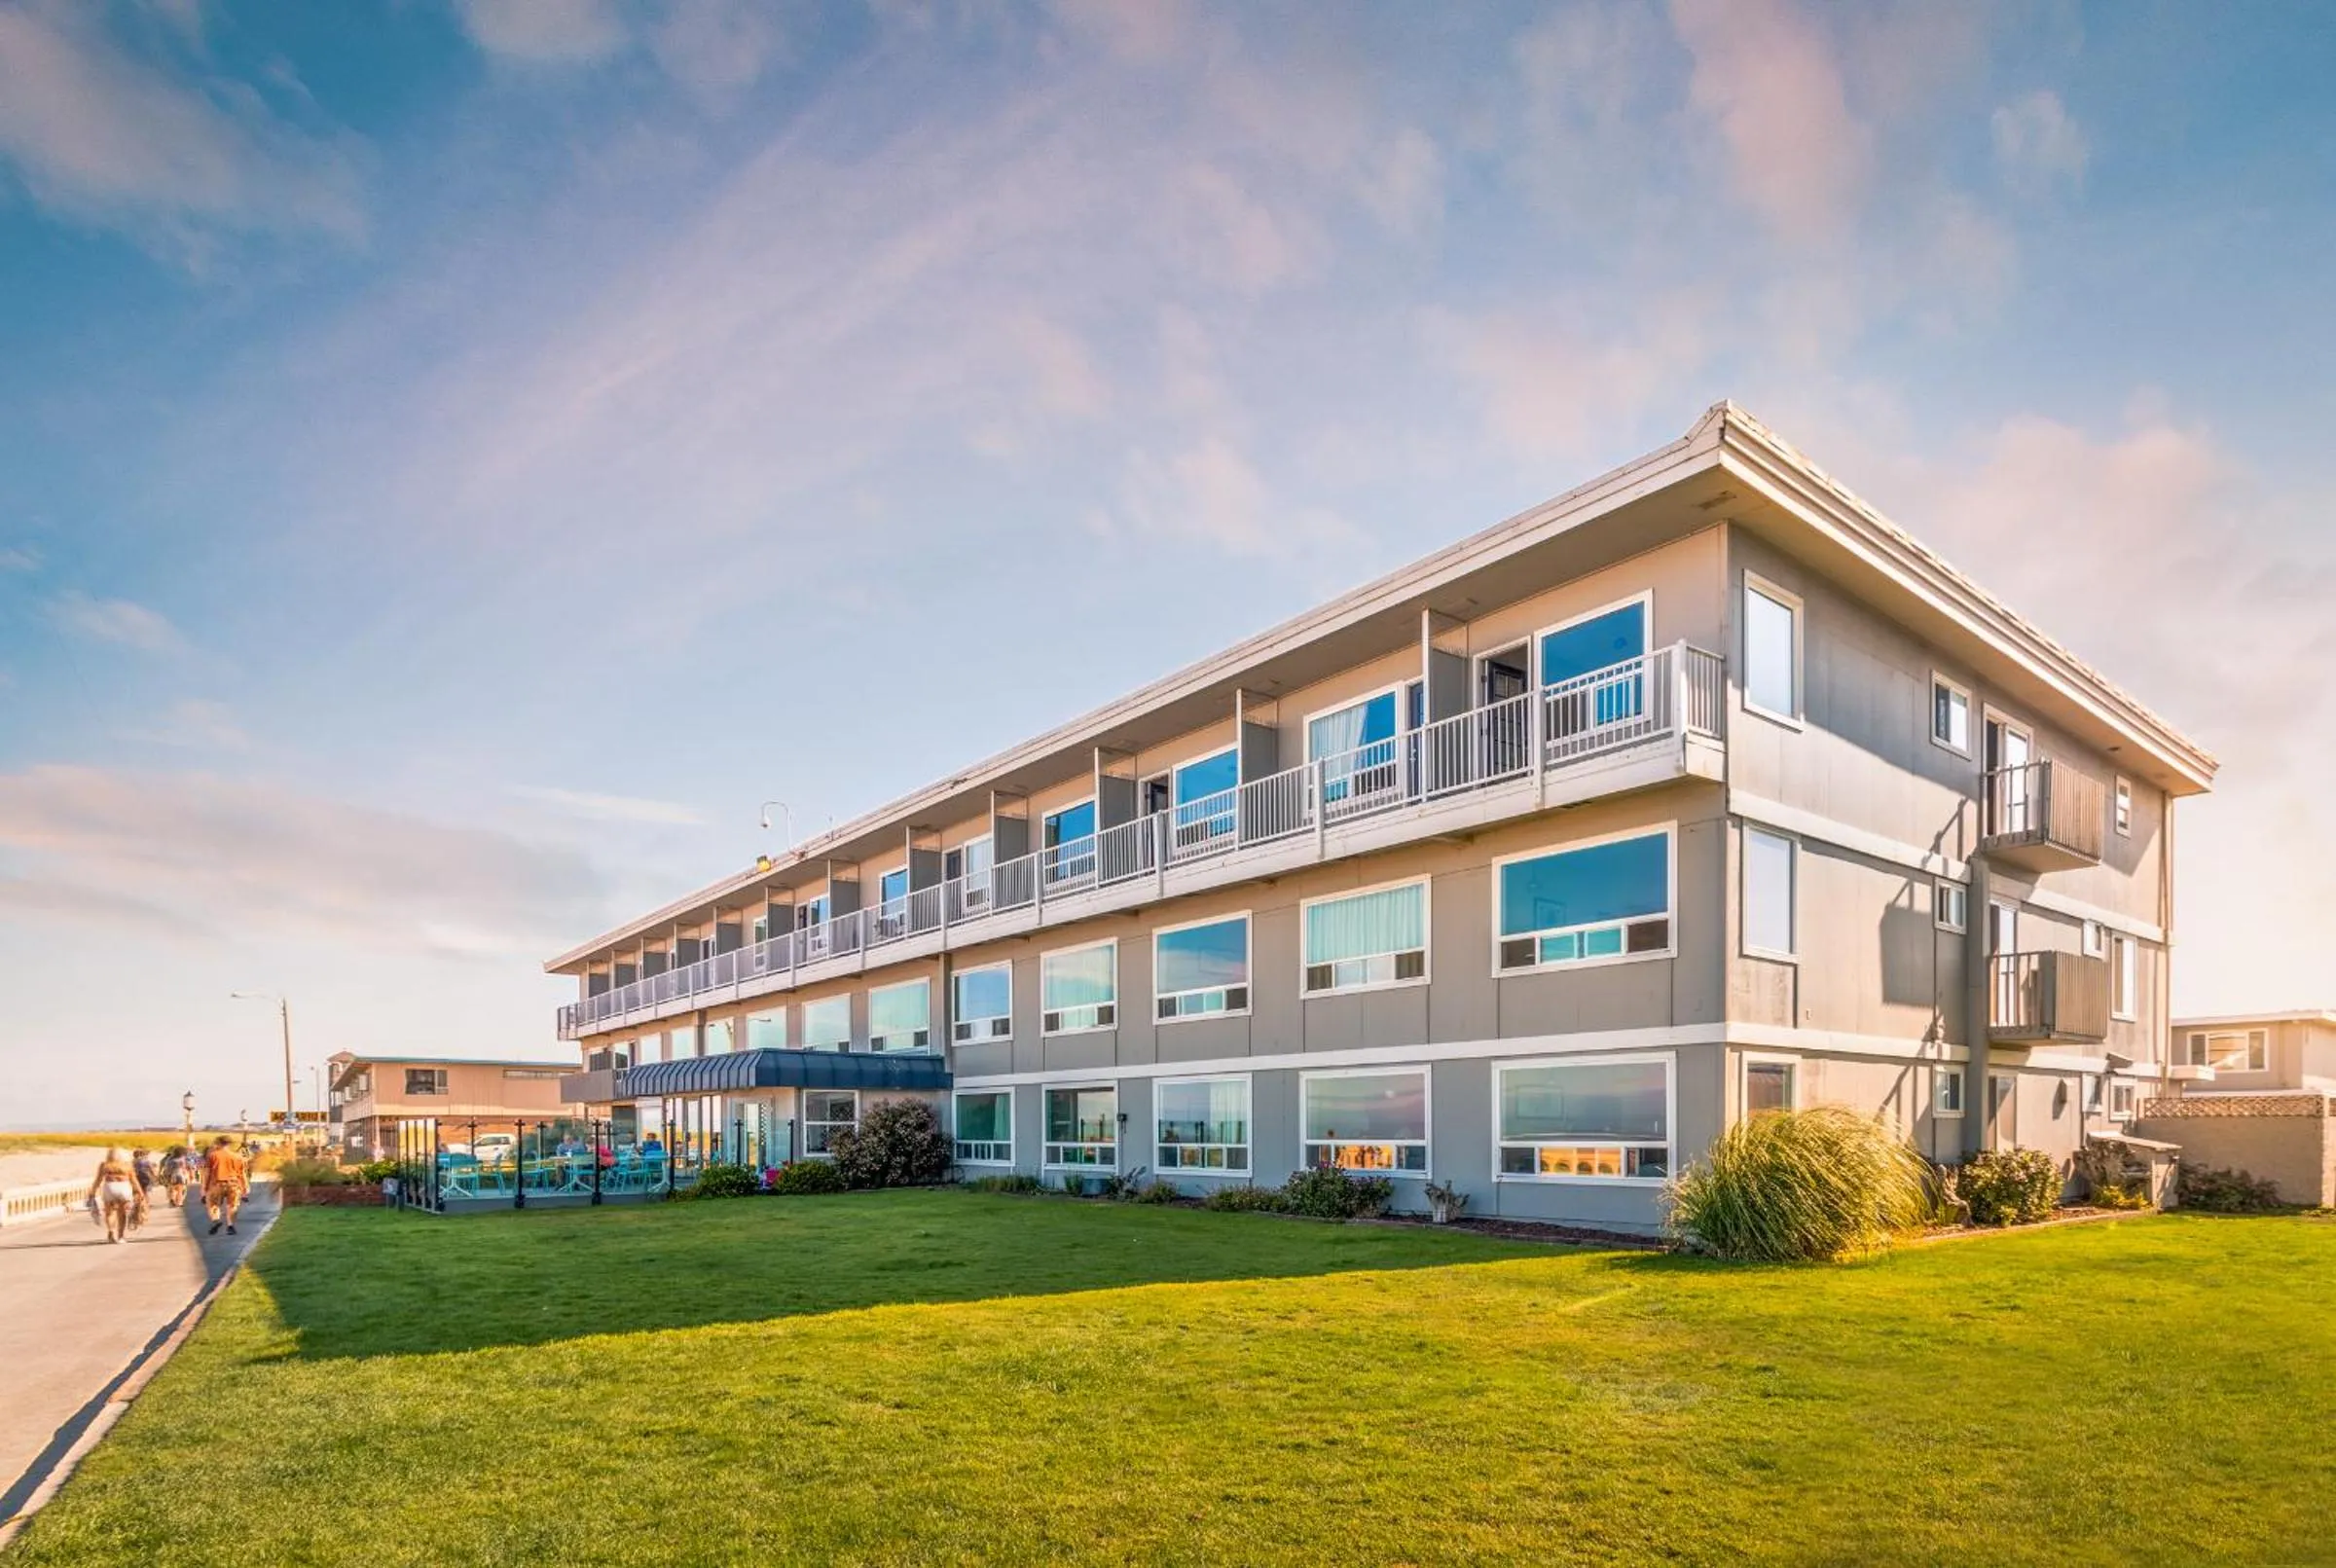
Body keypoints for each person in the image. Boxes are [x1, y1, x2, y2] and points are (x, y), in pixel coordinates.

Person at [88, 1148, 139, 1244]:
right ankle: (121, 1236)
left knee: (110, 1213)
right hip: (123, 1188)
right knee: (122, 1213)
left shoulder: (104, 1165)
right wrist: (140, 1192)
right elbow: (134, 1180)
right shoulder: (127, 1165)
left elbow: (98, 1180)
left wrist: (93, 1191)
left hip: (110, 1188)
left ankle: (111, 1232)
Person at [201, 1135, 249, 1236]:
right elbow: (242, 1174)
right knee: (232, 1206)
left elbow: (207, 1173)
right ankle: (230, 1226)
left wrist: (204, 1188)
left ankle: (216, 1220)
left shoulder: (212, 1155)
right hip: (233, 1184)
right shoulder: (237, 1157)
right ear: (229, 1144)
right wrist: (245, 1187)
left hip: (216, 1184)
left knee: (213, 1205)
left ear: (218, 1143)